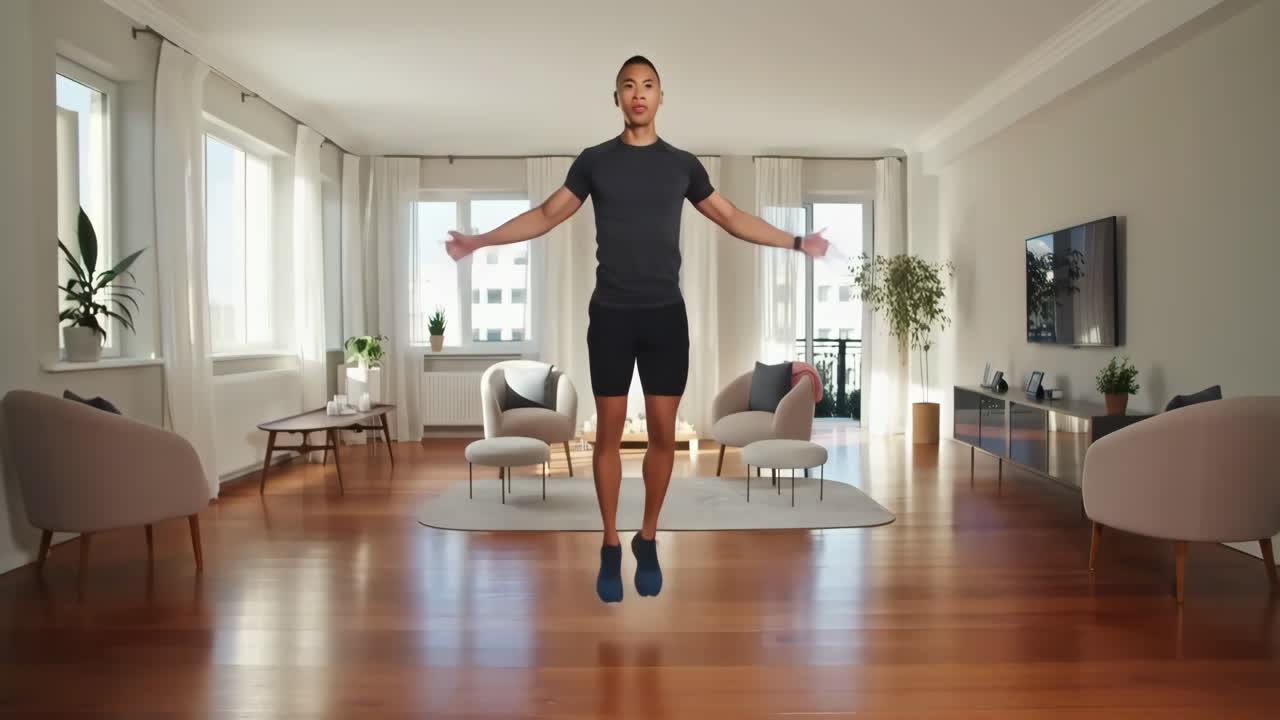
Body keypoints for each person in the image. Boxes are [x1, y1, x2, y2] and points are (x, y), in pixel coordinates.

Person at [446, 55, 830, 603]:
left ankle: (646, 538)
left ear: (660, 96)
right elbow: (547, 213)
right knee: (606, 434)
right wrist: (482, 241)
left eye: (648, 85)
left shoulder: (682, 165)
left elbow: (730, 216)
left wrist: (794, 242)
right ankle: (609, 543)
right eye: (629, 86)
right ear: (617, 98)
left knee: (661, 435)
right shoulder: (593, 161)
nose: (639, 94)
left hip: (664, 317)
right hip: (610, 315)